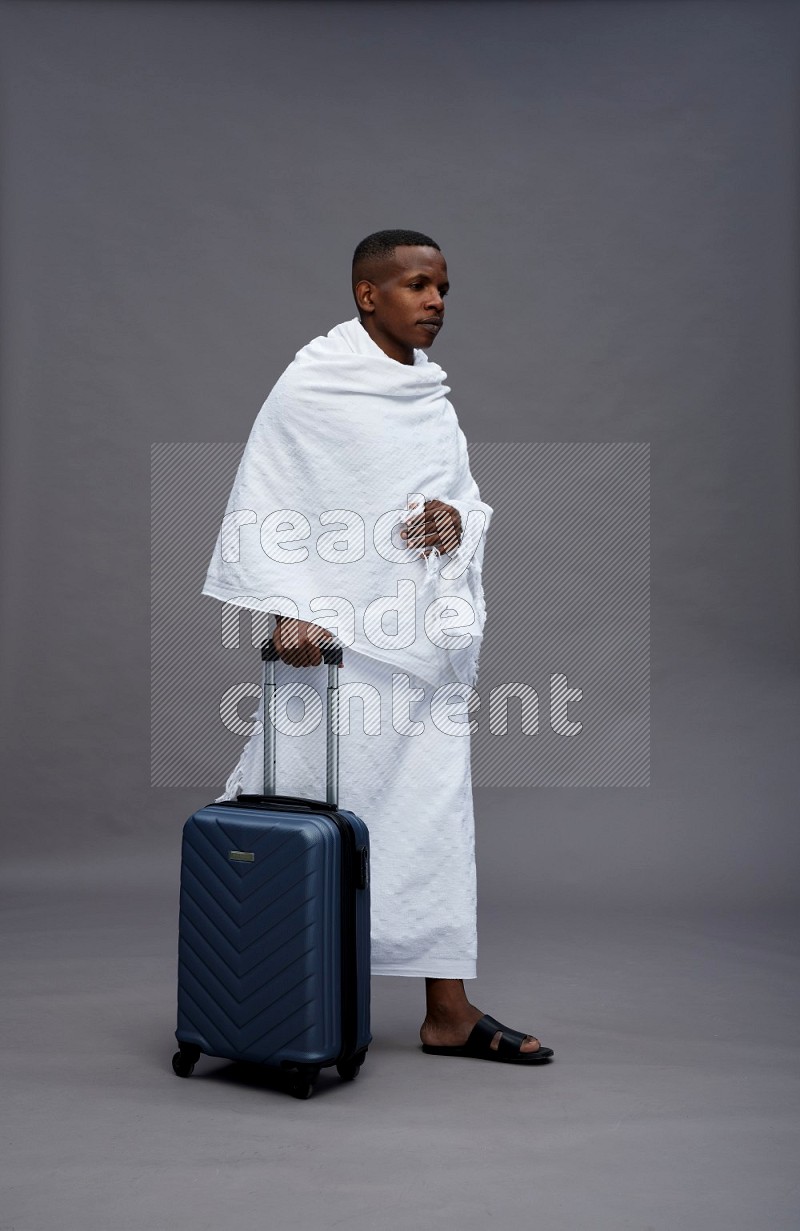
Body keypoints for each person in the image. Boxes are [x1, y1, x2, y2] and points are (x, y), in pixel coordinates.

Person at [202, 229, 553, 1064]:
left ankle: (448, 1011)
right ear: (369, 294)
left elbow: (462, 498)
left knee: (431, 813)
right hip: (327, 644)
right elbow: (268, 494)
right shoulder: (313, 382)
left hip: (418, 641)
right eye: (417, 285)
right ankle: (263, 989)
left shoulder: (430, 394)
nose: (435, 301)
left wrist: (456, 521)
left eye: (442, 288)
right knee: (294, 804)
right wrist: (284, 607)